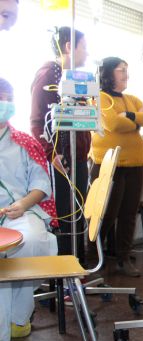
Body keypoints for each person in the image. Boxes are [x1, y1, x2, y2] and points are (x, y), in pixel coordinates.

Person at [0, 77, 58, 341]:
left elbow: (40, 184)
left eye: (7, 97)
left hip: (20, 214)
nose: (3, 103)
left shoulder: (24, 142)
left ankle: (19, 318)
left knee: (33, 240)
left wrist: (22, 204)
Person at [89, 57, 143, 276]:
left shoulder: (132, 99)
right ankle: (92, 258)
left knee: (128, 214)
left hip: (136, 163)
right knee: (106, 213)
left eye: (127, 69)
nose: (126, 73)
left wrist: (128, 115)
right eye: (121, 70)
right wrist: (136, 121)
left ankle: (123, 258)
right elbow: (112, 124)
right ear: (108, 73)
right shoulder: (99, 97)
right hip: (108, 165)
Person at [30, 27, 90, 264]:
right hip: (62, 160)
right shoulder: (49, 75)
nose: (87, 53)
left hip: (78, 157)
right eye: (84, 46)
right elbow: (37, 122)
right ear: (68, 47)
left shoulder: (73, 81)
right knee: (66, 217)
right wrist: (52, 153)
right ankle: (66, 275)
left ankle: (78, 268)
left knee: (77, 217)